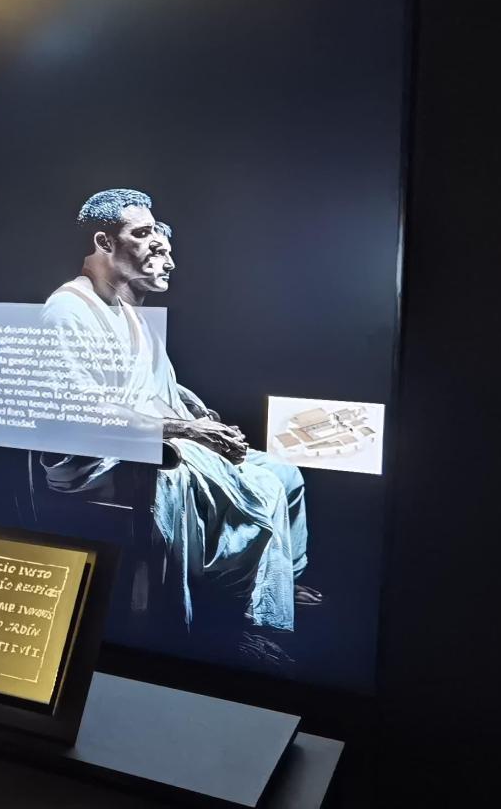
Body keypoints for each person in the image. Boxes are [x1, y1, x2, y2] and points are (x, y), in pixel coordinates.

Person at [36, 189, 317, 660]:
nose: (152, 245)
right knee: (248, 485)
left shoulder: (126, 309)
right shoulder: (68, 310)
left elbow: (154, 381)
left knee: (284, 474)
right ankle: (231, 617)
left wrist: (195, 412)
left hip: (146, 434)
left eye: (154, 232)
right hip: (98, 456)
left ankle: (277, 583)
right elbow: (80, 411)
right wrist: (186, 432)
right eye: (140, 233)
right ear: (105, 242)